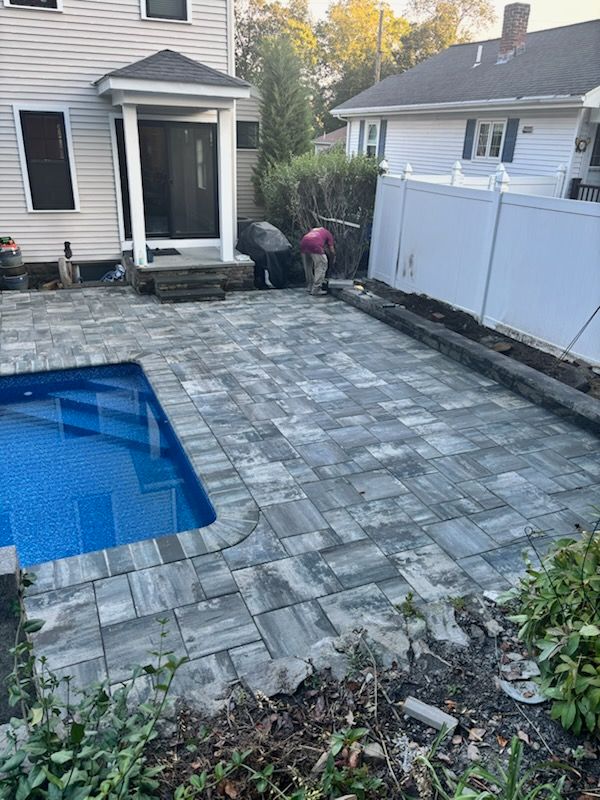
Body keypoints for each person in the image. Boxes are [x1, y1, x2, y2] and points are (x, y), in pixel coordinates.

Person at [300, 227, 335, 296]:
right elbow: (332, 250)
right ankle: (316, 289)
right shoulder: (328, 234)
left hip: (303, 243)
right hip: (314, 245)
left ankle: (310, 286)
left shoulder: (315, 230)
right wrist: (333, 257)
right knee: (322, 264)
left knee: (308, 267)